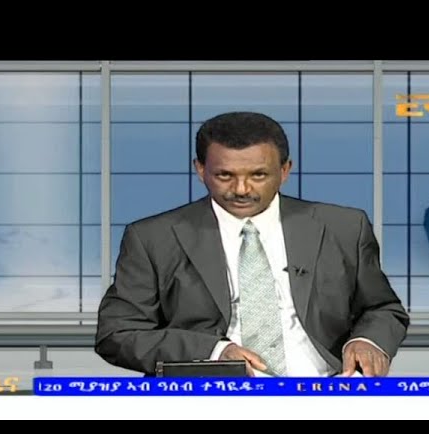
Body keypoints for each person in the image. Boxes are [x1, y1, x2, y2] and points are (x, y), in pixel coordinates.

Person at [95, 111, 409, 377]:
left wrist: (368, 342)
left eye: (258, 175)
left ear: (285, 170)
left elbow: (382, 308)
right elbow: (116, 333)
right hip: (209, 395)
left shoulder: (343, 227)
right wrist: (214, 352)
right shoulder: (153, 237)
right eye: (225, 175)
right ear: (200, 169)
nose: (242, 189)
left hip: (324, 390)